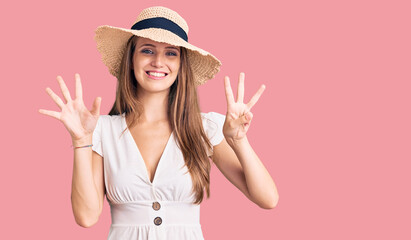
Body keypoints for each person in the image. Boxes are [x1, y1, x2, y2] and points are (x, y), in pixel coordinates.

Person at [38, 6, 279, 240]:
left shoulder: (205, 128)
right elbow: (87, 217)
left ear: (181, 65)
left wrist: (239, 141)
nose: (158, 62)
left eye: (171, 53)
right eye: (147, 50)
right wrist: (81, 141)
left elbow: (268, 199)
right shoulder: (101, 129)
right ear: (131, 60)